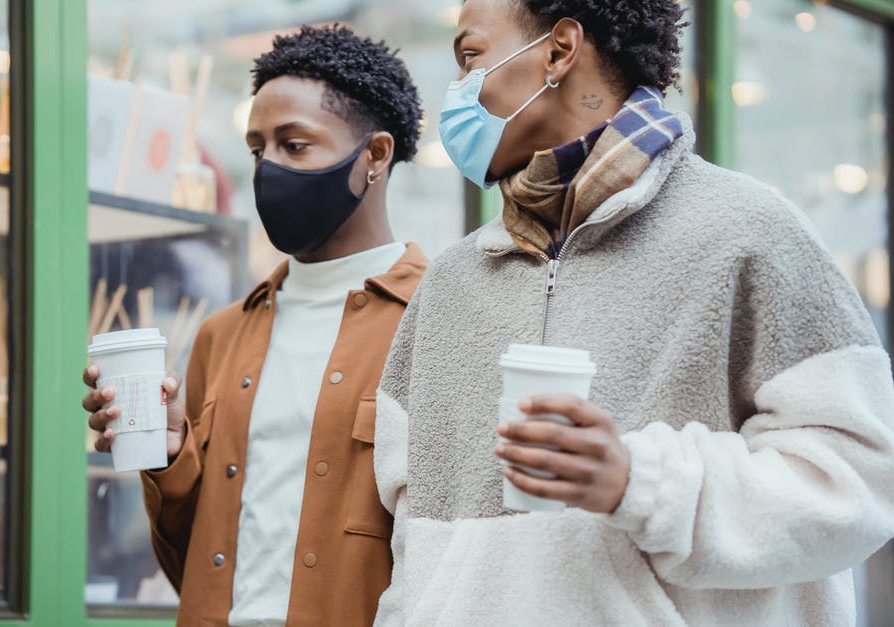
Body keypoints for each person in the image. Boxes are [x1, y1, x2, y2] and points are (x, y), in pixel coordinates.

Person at [374, 1, 894, 625]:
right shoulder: (452, 283)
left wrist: (639, 482)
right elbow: (410, 535)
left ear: (560, 51)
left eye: (470, 57)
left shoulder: (751, 233)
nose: (457, 92)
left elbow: (862, 483)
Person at [84, 24, 427, 626]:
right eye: (256, 148)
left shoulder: (438, 319)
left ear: (374, 155)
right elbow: (192, 559)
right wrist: (168, 458)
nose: (268, 169)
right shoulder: (221, 336)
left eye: (294, 146)